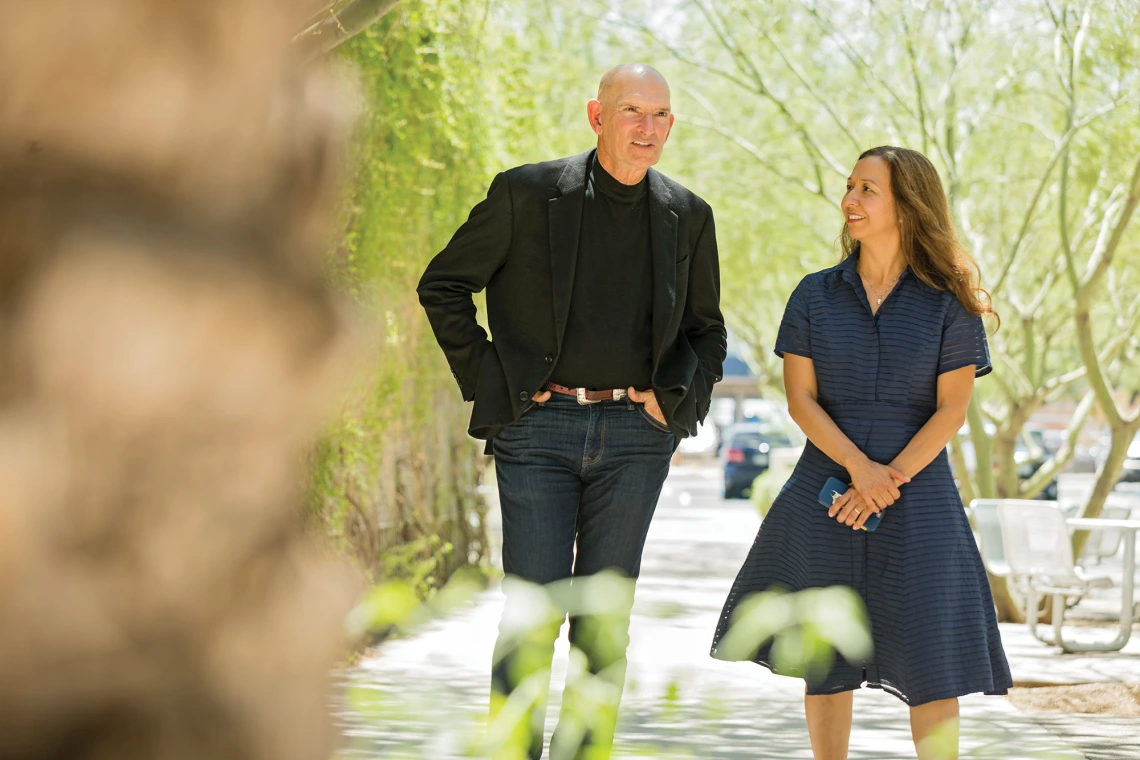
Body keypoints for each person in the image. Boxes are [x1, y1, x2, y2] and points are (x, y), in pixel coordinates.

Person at [418, 63, 726, 759]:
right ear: (596, 116)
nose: (648, 129)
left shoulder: (689, 215)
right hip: (539, 430)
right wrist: (495, 384)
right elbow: (443, 285)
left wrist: (674, 409)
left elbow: (708, 331)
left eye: (660, 116)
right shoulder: (526, 195)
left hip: (635, 439)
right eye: (631, 113)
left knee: (603, 626)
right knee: (531, 617)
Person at [711, 146, 1012, 760]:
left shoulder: (950, 303)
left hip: (919, 493)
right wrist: (860, 470)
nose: (850, 199)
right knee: (823, 655)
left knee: (932, 657)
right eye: (850, 187)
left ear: (908, 205)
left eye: (868, 189)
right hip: (828, 487)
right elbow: (800, 400)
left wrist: (888, 478)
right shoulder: (814, 296)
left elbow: (952, 409)